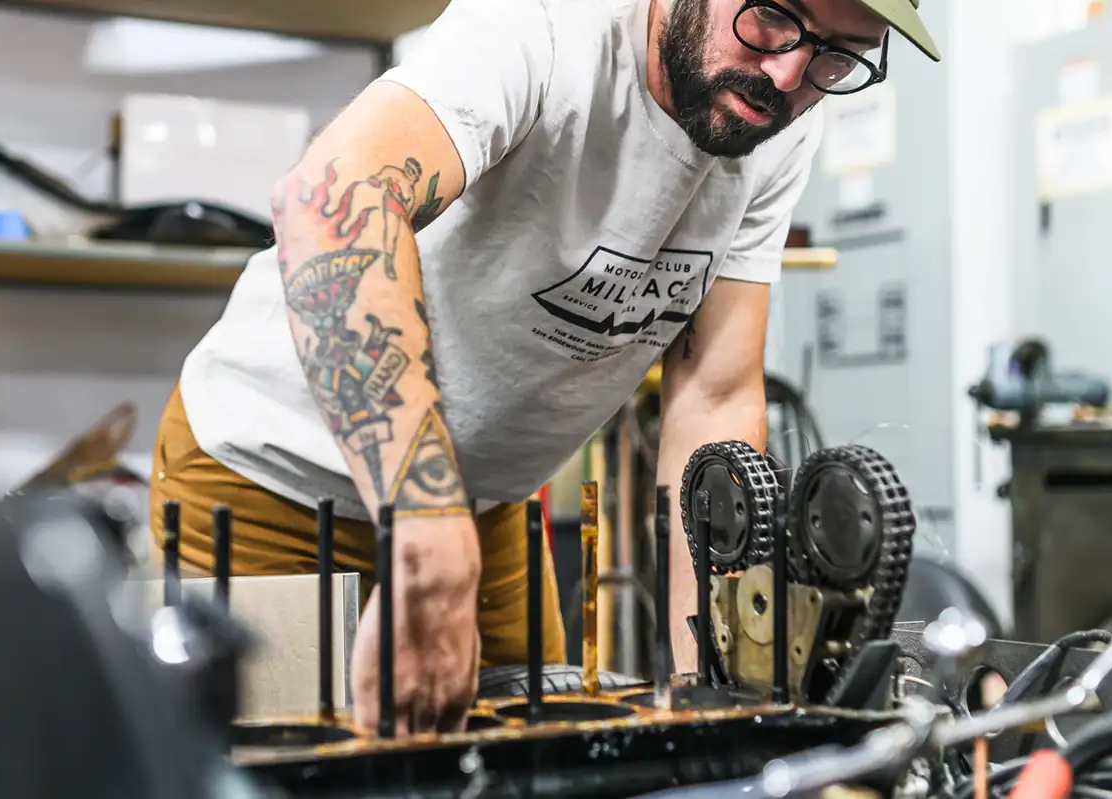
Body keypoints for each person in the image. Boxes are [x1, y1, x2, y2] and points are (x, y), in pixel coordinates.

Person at [150, 0, 941, 737]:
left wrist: (717, 700)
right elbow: (333, 202)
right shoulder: (543, 25)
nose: (789, 74)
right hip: (272, 486)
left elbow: (713, 394)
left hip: (480, 513)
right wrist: (424, 533)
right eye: (775, 15)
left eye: (839, 55)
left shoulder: (779, 117)